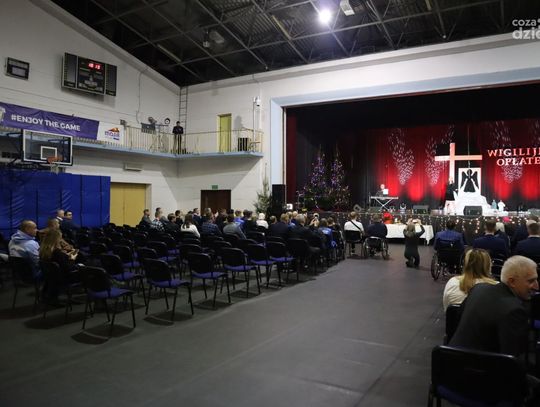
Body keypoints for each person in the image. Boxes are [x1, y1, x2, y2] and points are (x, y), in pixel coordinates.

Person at [450, 255, 538, 357]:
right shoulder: (514, 310)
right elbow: (511, 357)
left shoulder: (478, 289)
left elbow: (456, 319)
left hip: (449, 358)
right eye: (531, 281)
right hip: (478, 364)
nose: (536, 286)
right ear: (512, 282)